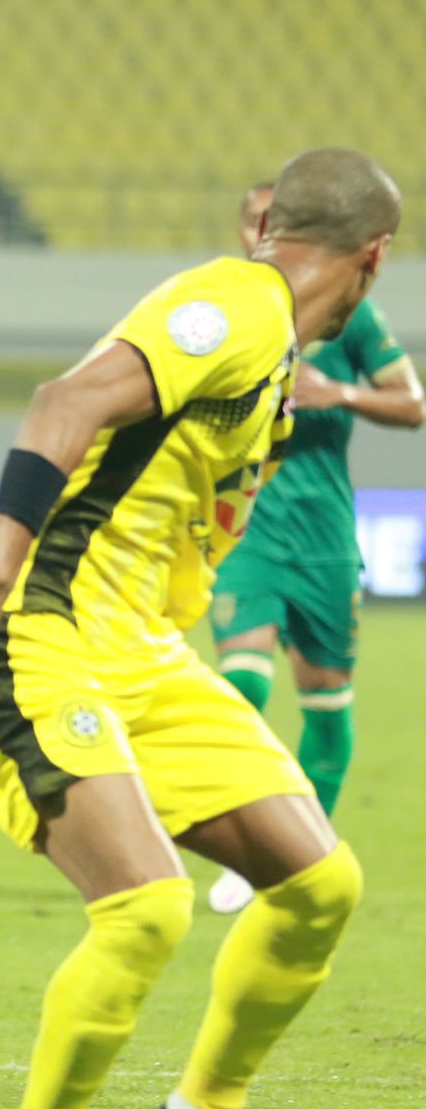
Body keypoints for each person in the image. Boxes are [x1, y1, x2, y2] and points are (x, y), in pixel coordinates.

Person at [0, 148, 396, 1109]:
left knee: (318, 882)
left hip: (141, 649)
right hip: (36, 628)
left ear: (271, 219)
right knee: (146, 908)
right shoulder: (234, 304)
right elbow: (59, 404)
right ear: (372, 260)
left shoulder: (269, 341)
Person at [207, 181, 422, 914]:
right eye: (255, 222)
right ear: (246, 234)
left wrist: (342, 395)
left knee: (326, 709)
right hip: (246, 530)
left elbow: (413, 402)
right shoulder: (221, 312)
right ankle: (246, 839)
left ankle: (295, 854)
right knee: (242, 686)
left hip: (327, 540)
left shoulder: (352, 319)